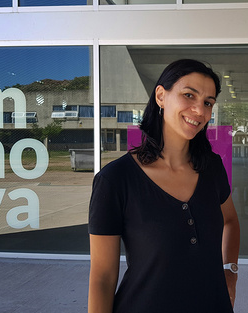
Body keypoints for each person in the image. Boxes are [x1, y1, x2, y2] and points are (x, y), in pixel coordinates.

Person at [88, 59, 240, 313]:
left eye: (208, 103)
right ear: (161, 95)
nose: (199, 110)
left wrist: (230, 272)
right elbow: (102, 278)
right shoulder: (115, 180)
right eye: (189, 95)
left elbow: (231, 221)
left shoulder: (212, 167)